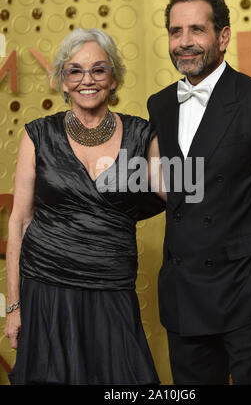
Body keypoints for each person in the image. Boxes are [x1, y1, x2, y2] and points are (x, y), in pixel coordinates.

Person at [147, 0, 251, 385]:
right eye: (175, 31)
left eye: (196, 29)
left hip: (247, 292)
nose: (184, 42)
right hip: (184, 296)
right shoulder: (160, 104)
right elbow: (176, 189)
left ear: (224, 36)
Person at [4, 28, 165, 385]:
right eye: (75, 70)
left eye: (98, 69)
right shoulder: (38, 135)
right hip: (46, 289)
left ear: (114, 78)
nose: (86, 80)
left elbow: (187, 199)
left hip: (111, 287)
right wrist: (14, 307)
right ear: (62, 80)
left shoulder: (142, 135)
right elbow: (19, 220)